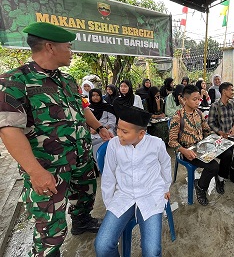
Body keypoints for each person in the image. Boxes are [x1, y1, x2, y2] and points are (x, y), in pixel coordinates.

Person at [0, 22, 114, 256]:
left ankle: (81, 222)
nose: (72, 51)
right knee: (51, 230)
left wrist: (99, 127)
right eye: (69, 46)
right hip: (48, 168)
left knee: (85, 196)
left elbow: (81, 110)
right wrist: (35, 172)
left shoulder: (68, 80)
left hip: (81, 157)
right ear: (50, 47)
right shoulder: (15, 82)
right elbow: (9, 130)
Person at [94, 105, 171, 257]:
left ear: (141, 134)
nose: (118, 134)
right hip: (124, 196)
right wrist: (110, 206)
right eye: (118, 128)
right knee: (102, 246)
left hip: (151, 196)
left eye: (124, 131)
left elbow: (166, 163)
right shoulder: (114, 144)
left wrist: (166, 187)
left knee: (152, 251)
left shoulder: (156, 144)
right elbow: (108, 176)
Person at [168, 84, 234, 206]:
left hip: (202, 146)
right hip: (188, 151)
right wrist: (184, 151)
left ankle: (220, 178)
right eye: (194, 99)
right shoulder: (177, 117)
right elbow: (172, 141)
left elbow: (207, 130)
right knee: (213, 166)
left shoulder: (199, 113)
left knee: (228, 153)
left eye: (199, 99)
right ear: (184, 99)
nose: (198, 102)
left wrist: (216, 138)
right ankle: (200, 186)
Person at [88, 88, 117, 160]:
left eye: (97, 95)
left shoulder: (107, 107)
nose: (95, 97)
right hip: (92, 132)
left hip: (106, 130)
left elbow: (112, 121)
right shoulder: (88, 109)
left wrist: (100, 128)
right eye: (93, 95)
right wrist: (91, 129)